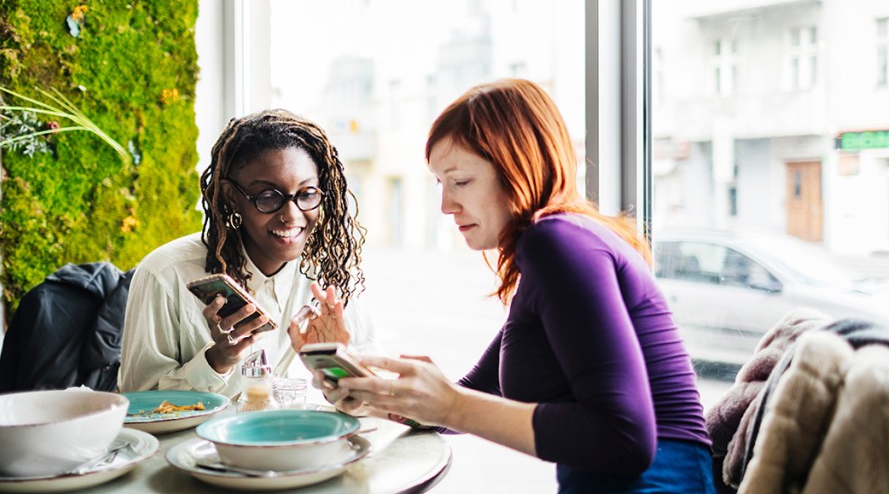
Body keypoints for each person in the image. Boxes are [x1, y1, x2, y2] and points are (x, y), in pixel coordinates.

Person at [321, 79, 714, 493]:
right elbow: (470, 396)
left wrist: (451, 404)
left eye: (461, 181)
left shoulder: (557, 244)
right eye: (440, 183)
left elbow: (625, 438)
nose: (446, 206)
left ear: (516, 169)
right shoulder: (558, 247)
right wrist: (367, 391)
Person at [119, 109, 379, 399]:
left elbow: (369, 399)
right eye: (268, 197)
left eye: (306, 194)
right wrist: (218, 360)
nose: (291, 216)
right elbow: (137, 405)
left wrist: (334, 366)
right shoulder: (165, 274)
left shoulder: (328, 274)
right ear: (232, 197)